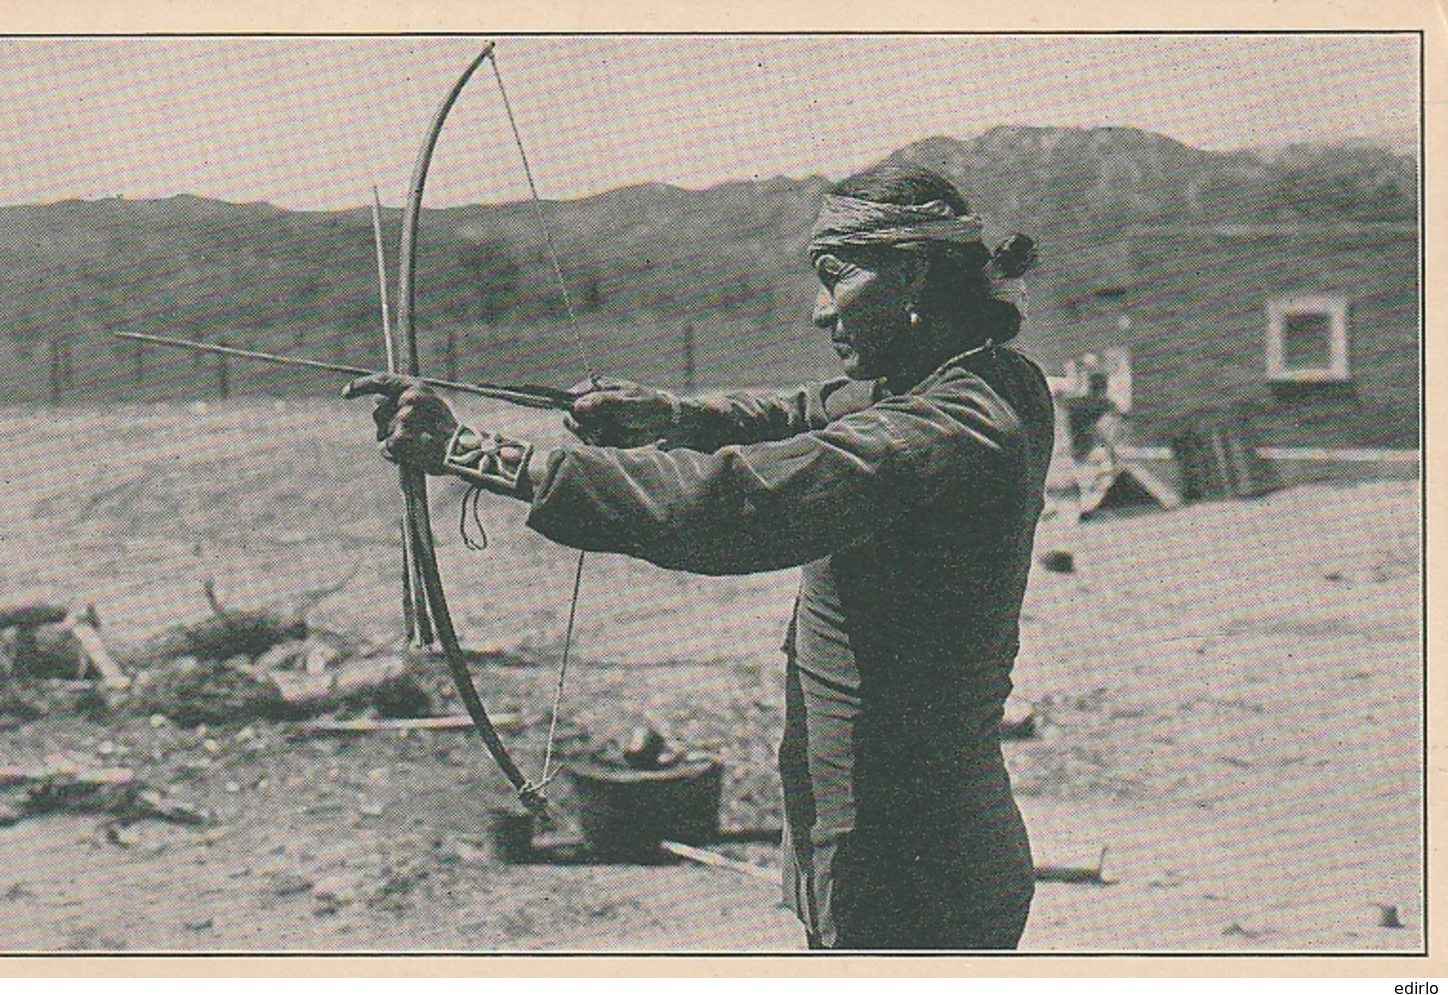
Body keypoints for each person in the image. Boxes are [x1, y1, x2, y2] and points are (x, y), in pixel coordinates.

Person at [356, 164, 1054, 950]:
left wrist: (472, 452)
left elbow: (738, 504)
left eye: (834, 278)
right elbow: (798, 411)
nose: (818, 311)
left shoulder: (956, 424)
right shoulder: (969, 379)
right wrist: (669, 415)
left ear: (914, 270)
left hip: (909, 859)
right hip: (881, 836)